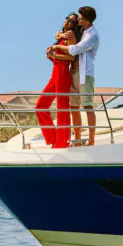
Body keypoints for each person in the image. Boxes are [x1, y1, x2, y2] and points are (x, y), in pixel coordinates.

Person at [53, 6, 100, 145]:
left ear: (86, 21)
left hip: (85, 75)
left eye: (80, 18)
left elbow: (75, 50)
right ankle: (77, 138)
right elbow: (59, 33)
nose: (78, 19)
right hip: (73, 73)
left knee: (87, 106)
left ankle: (91, 139)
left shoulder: (93, 36)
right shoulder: (81, 30)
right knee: (74, 107)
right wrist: (60, 36)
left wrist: (57, 47)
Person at [34, 13, 79, 149]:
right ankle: (54, 138)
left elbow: (71, 58)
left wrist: (56, 52)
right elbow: (58, 56)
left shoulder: (71, 36)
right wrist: (51, 56)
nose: (67, 21)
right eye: (67, 18)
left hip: (63, 74)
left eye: (72, 20)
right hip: (55, 73)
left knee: (62, 109)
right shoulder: (60, 36)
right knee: (40, 107)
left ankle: (61, 142)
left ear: (74, 25)